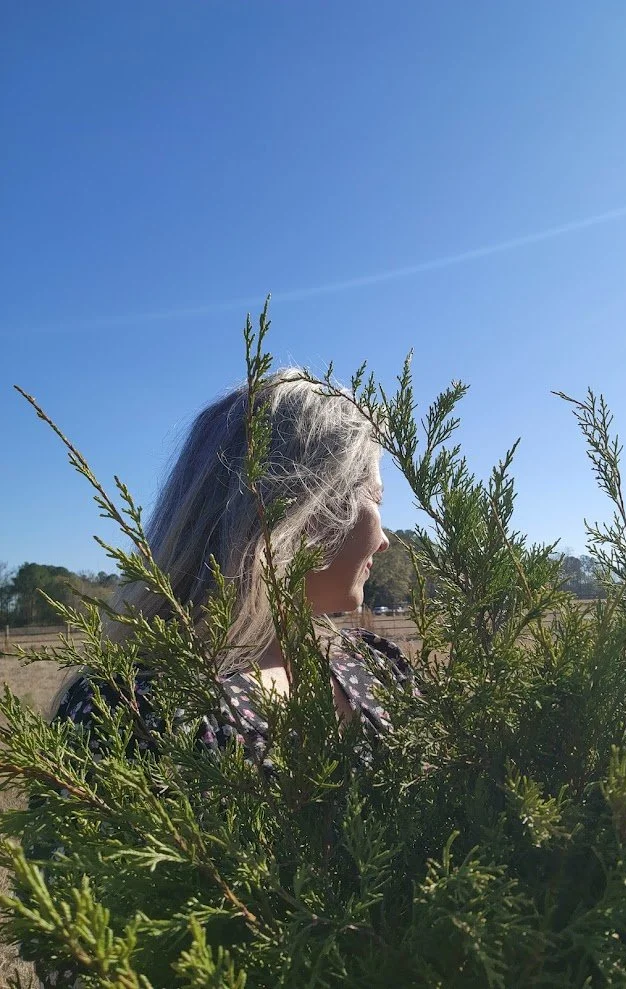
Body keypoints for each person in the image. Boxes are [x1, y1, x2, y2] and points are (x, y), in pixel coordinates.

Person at [27, 370, 416, 988]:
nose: (386, 539)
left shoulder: (374, 666)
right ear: (303, 511)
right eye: (376, 498)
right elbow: (82, 954)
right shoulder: (126, 707)